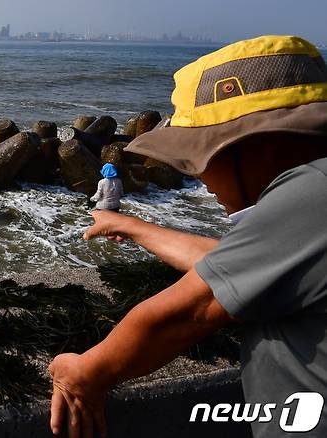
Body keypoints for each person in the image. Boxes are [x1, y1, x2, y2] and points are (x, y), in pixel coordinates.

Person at [49, 35, 327, 438]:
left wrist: (84, 371)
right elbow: (234, 266)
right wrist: (131, 225)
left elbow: (189, 310)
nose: (197, 175)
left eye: (200, 154)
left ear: (254, 146)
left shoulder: (312, 193)